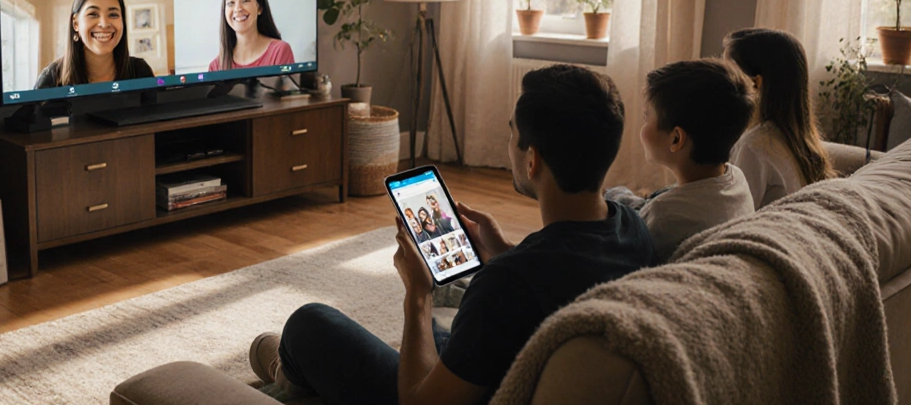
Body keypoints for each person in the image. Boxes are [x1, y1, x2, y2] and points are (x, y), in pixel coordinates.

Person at [248, 64, 654, 405]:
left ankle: (283, 376)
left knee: (309, 324)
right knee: (448, 327)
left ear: (532, 160)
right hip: (497, 367)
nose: (509, 144)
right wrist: (503, 251)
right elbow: (555, 276)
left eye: (512, 134)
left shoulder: (506, 285)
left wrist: (418, 294)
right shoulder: (631, 226)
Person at [631, 59, 757, 262]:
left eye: (646, 118)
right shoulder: (736, 177)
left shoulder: (663, 216)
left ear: (676, 139)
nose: (643, 127)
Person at [723, 28, 837, 208]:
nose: (721, 81)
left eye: (728, 73)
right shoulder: (796, 140)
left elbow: (734, 212)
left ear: (755, 83)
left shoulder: (753, 146)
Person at [34, 0, 155, 88]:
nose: (104, 24)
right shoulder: (50, 79)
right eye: (93, 14)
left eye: (113, 14)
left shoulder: (141, 72)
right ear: (76, 23)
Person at [208, 0, 295, 71]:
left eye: (245, 1)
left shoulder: (280, 51)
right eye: (231, 3)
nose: (238, 8)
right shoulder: (215, 67)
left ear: (260, 8)